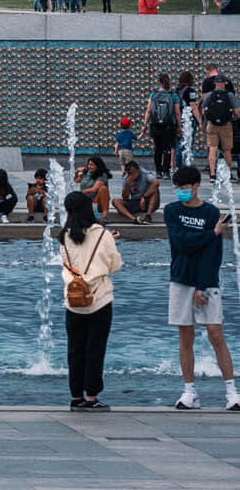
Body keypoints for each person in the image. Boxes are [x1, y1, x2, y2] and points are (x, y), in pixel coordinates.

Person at [164, 166, 240, 410]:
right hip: (179, 278)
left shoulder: (210, 211)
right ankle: (189, 391)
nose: (181, 192)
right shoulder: (171, 210)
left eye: (185, 188)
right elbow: (180, 242)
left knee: (216, 333)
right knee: (185, 335)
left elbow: (212, 254)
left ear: (196, 186)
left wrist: (201, 287)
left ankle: (232, 392)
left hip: (206, 281)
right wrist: (211, 234)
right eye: (178, 188)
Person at [59, 189, 122, 410]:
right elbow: (115, 266)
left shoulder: (64, 236)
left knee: (75, 350)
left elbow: (66, 263)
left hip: (73, 300)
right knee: (95, 350)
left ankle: (76, 396)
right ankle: (92, 397)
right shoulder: (103, 235)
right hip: (99, 301)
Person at [145, 74, 181, 179]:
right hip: (169, 125)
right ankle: (166, 172)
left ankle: (158, 171)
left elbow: (148, 110)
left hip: (155, 125)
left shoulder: (153, 94)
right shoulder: (173, 95)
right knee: (167, 148)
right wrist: (179, 126)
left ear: (159, 83)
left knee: (158, 148)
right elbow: (177, 112)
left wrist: (145, 124)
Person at [199, 77, 236, 179]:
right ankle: (228, 174)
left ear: (215, 83)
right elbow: (237, 111)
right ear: (225, 83)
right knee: (227, 150)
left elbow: (203, 111)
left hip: (212, 125)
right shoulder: (230, 95)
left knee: (212, 149)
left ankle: (212, 174)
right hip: (226, 125)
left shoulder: (209, 95)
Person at [112, 159, 160, 223]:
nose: (133, 175)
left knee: (155, 190)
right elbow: (125, 198)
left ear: (138, 170)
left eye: (134, 173)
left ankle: (148, 215)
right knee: (115, 201)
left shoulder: (145, 173)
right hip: (135, 201)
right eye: (130, 174)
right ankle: (135, 219)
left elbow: (156, 183)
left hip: (147, 201)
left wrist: (144, 197)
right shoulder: (126, 178)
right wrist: (127, 185)